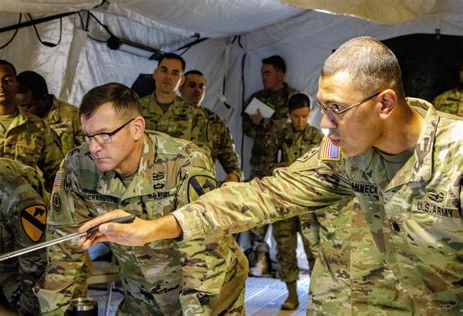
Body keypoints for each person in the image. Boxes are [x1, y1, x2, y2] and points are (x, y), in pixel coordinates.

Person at [78, 37, 463, 314]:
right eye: (322, 108)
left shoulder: (456, 157)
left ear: (384, 103)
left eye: (337, 109)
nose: (325, 125)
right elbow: (267, 194)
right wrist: (156, 227)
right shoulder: (341, 153)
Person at [35, 83, 248, 315]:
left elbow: (204, 253)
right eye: (87, 136)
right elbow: (63, 250)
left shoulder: (186, 162)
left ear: (136, 128)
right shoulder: (78, 166)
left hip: (211, 296)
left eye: (104, 135)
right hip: (141, 295)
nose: (94, 147)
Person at [263, 93, 322, 310]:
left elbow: (329, 168)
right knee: (285, 250)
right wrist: (284, 167)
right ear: (289, 115)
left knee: (314, 249)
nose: (301, 121)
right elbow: (265, 166)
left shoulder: (318, 137)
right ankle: (291, 295)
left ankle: (317, 294)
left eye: (305, 116)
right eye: (296, 116)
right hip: (285, 202)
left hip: (309, 204)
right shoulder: (278, 136)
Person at [242, 55, 298, 275]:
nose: (263, 77)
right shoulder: (257, 98)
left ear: (280, 74)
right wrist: (266, 125)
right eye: (262, 73)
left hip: (285, 166)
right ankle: (259, 255)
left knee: (283, 213)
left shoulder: (293, 97)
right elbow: (248, 128)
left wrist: (264, 121)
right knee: (257, 210)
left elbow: (292, 127)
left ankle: (285, 265)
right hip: (260, 165)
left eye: (268, 73)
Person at [0, 60, 64, 191]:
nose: (0, 85)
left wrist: (56, 201)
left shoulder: (38, 127)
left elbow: (58, 173)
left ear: (17, 85)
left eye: (8, 80)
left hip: (25, 205)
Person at [0, 157, 48, 315]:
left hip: (47, 272)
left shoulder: (12, 193)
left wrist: (27, 310)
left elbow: (36, 264)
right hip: (0, 267)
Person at [138, 53, 211, 153]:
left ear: (182, 80)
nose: (168, 77)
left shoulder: (196, 116)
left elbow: (201, 157)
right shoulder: (135, 109)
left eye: (174, 73)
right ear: (155, 73)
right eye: (164, 71)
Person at [179, 70, 242, 183]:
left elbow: (228, 152)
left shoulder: (213, 120)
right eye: (192, 85)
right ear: (181, 87)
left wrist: (235, 175)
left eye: (201, 86)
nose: (197, 90)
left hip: (201, 185)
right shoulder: (169, 114)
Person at [15, 70, 82, 155]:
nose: (22, 112)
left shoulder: (73, 116)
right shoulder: (16, 117)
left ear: (43, 99)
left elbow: (88, 154)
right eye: (17, 106)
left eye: (27, 107)